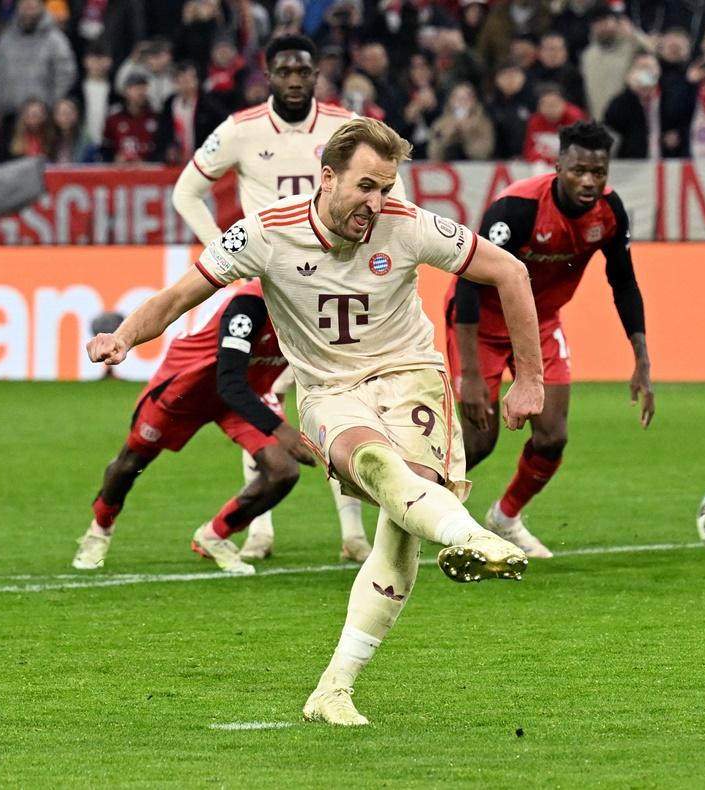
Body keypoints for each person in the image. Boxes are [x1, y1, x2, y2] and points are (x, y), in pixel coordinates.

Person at [87, 118, 545, 726]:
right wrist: (123, 336)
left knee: (399, 531)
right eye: (365, 187)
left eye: (386, 187)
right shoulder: (263, 233)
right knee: (378, 467)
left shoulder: (407, 225)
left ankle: (333, 689)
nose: (376, 202)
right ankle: (468, 536)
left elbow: (510, 272)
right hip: (330, 392)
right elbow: (177, 298)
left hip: (411, 379)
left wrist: (531, 380)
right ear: (326, 178)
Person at [171, 33, 390, 565]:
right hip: (266, 279)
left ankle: (353, 534)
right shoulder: (241, 130)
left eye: (304, 71)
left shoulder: (347, 127)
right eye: (285, 71)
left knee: (342, 396)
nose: (295, 80)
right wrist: (224, 250)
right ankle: (259, 530)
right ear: (267, 75)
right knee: (260, 400)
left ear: (318, 75)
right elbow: (186, 191)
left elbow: (393, 195)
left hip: (331, 284)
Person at [445, 120, 653, 559]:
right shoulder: (517, 208)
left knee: (553, 436)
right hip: (480, 322)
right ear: (558, 165)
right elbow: (466, 281)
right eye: (579, 170)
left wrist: (642, 360)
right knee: (479, 441)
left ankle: (505, 517)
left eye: (599, 172)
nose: (589, 181)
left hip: (539, 324)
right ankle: (414, 511)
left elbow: (624, 284)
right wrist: (469, 372)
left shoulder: (610, 213)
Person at [72, 280, 308, 574]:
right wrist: (280, 429)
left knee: (283, 471)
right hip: (187, 386)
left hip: (246, 392)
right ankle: (99, 530)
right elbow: (228, 379)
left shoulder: (320, 303)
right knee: (132, 461)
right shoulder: (250, 304)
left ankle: (214, 536)